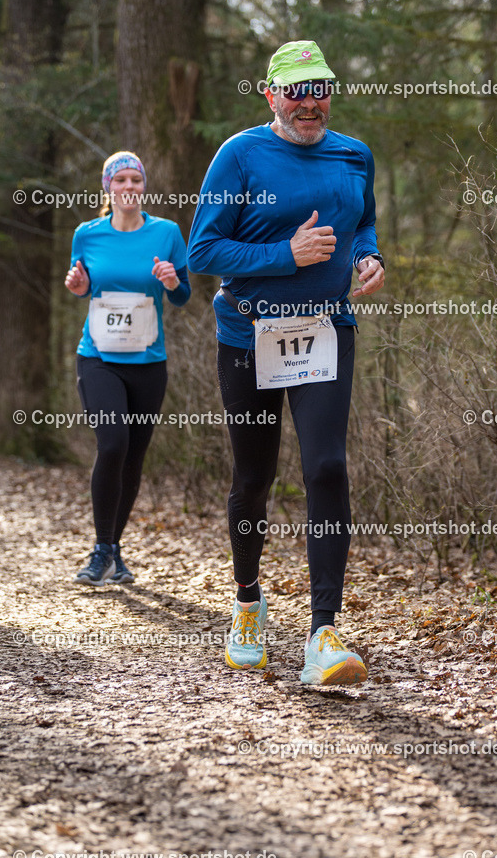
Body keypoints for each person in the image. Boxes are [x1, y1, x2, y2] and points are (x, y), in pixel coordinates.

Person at [187, 40, 385, 685]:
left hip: (326, 328)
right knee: (254, 478)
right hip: (249, 336)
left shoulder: (354, 155)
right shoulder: (240, 155)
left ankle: (323, 632)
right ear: (270, 94)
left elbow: (364, 224)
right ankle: (248, 601)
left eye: (319, 88)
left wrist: (368, 258)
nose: (309, 102)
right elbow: (203, 251)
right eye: (296, 90)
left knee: (326, 466)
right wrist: (286, 256)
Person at [65, 151, 191, 586]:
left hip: (148, 363)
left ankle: (113, 548)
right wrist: (80, 288)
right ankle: (100, 550)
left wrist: (173, 282)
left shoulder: (167, 233)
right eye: (121, 179)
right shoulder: (87, 234)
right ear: (108, 188)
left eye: (136, 179)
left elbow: (182, 295)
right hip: (97, 357)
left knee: (134, 456)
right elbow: (81, 285)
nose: (129, 187)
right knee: (113, 442)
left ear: (144, 186)